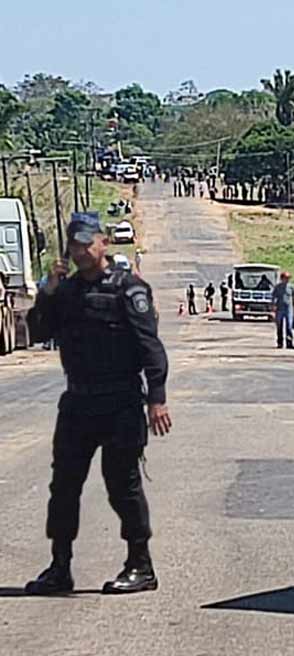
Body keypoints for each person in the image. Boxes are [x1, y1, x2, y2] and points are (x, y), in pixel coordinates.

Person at [24, 212, 172, 596]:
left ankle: (140, 564)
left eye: (87, 244)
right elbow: (39, 331)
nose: (81, 252)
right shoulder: (67, 291)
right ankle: (60, 567)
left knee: (122, 485)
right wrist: (48, 291)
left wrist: (157, 399)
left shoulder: (129, 289)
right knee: (64, 486)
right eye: (75, 245)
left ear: (103, 243)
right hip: (78, 402)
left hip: (121, 401)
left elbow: (151, 348)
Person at [271, 271, 294, 349]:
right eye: (286, 278)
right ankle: (280, 342)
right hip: (280, 308)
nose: (287, 280)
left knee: (289, 325)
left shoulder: (291, 287)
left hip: (289, 308)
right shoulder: (277, 287)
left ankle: (289, 342)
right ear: (282, 278)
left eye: (288, 278)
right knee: (280, 326)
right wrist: (273, 308)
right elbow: (273, 298)